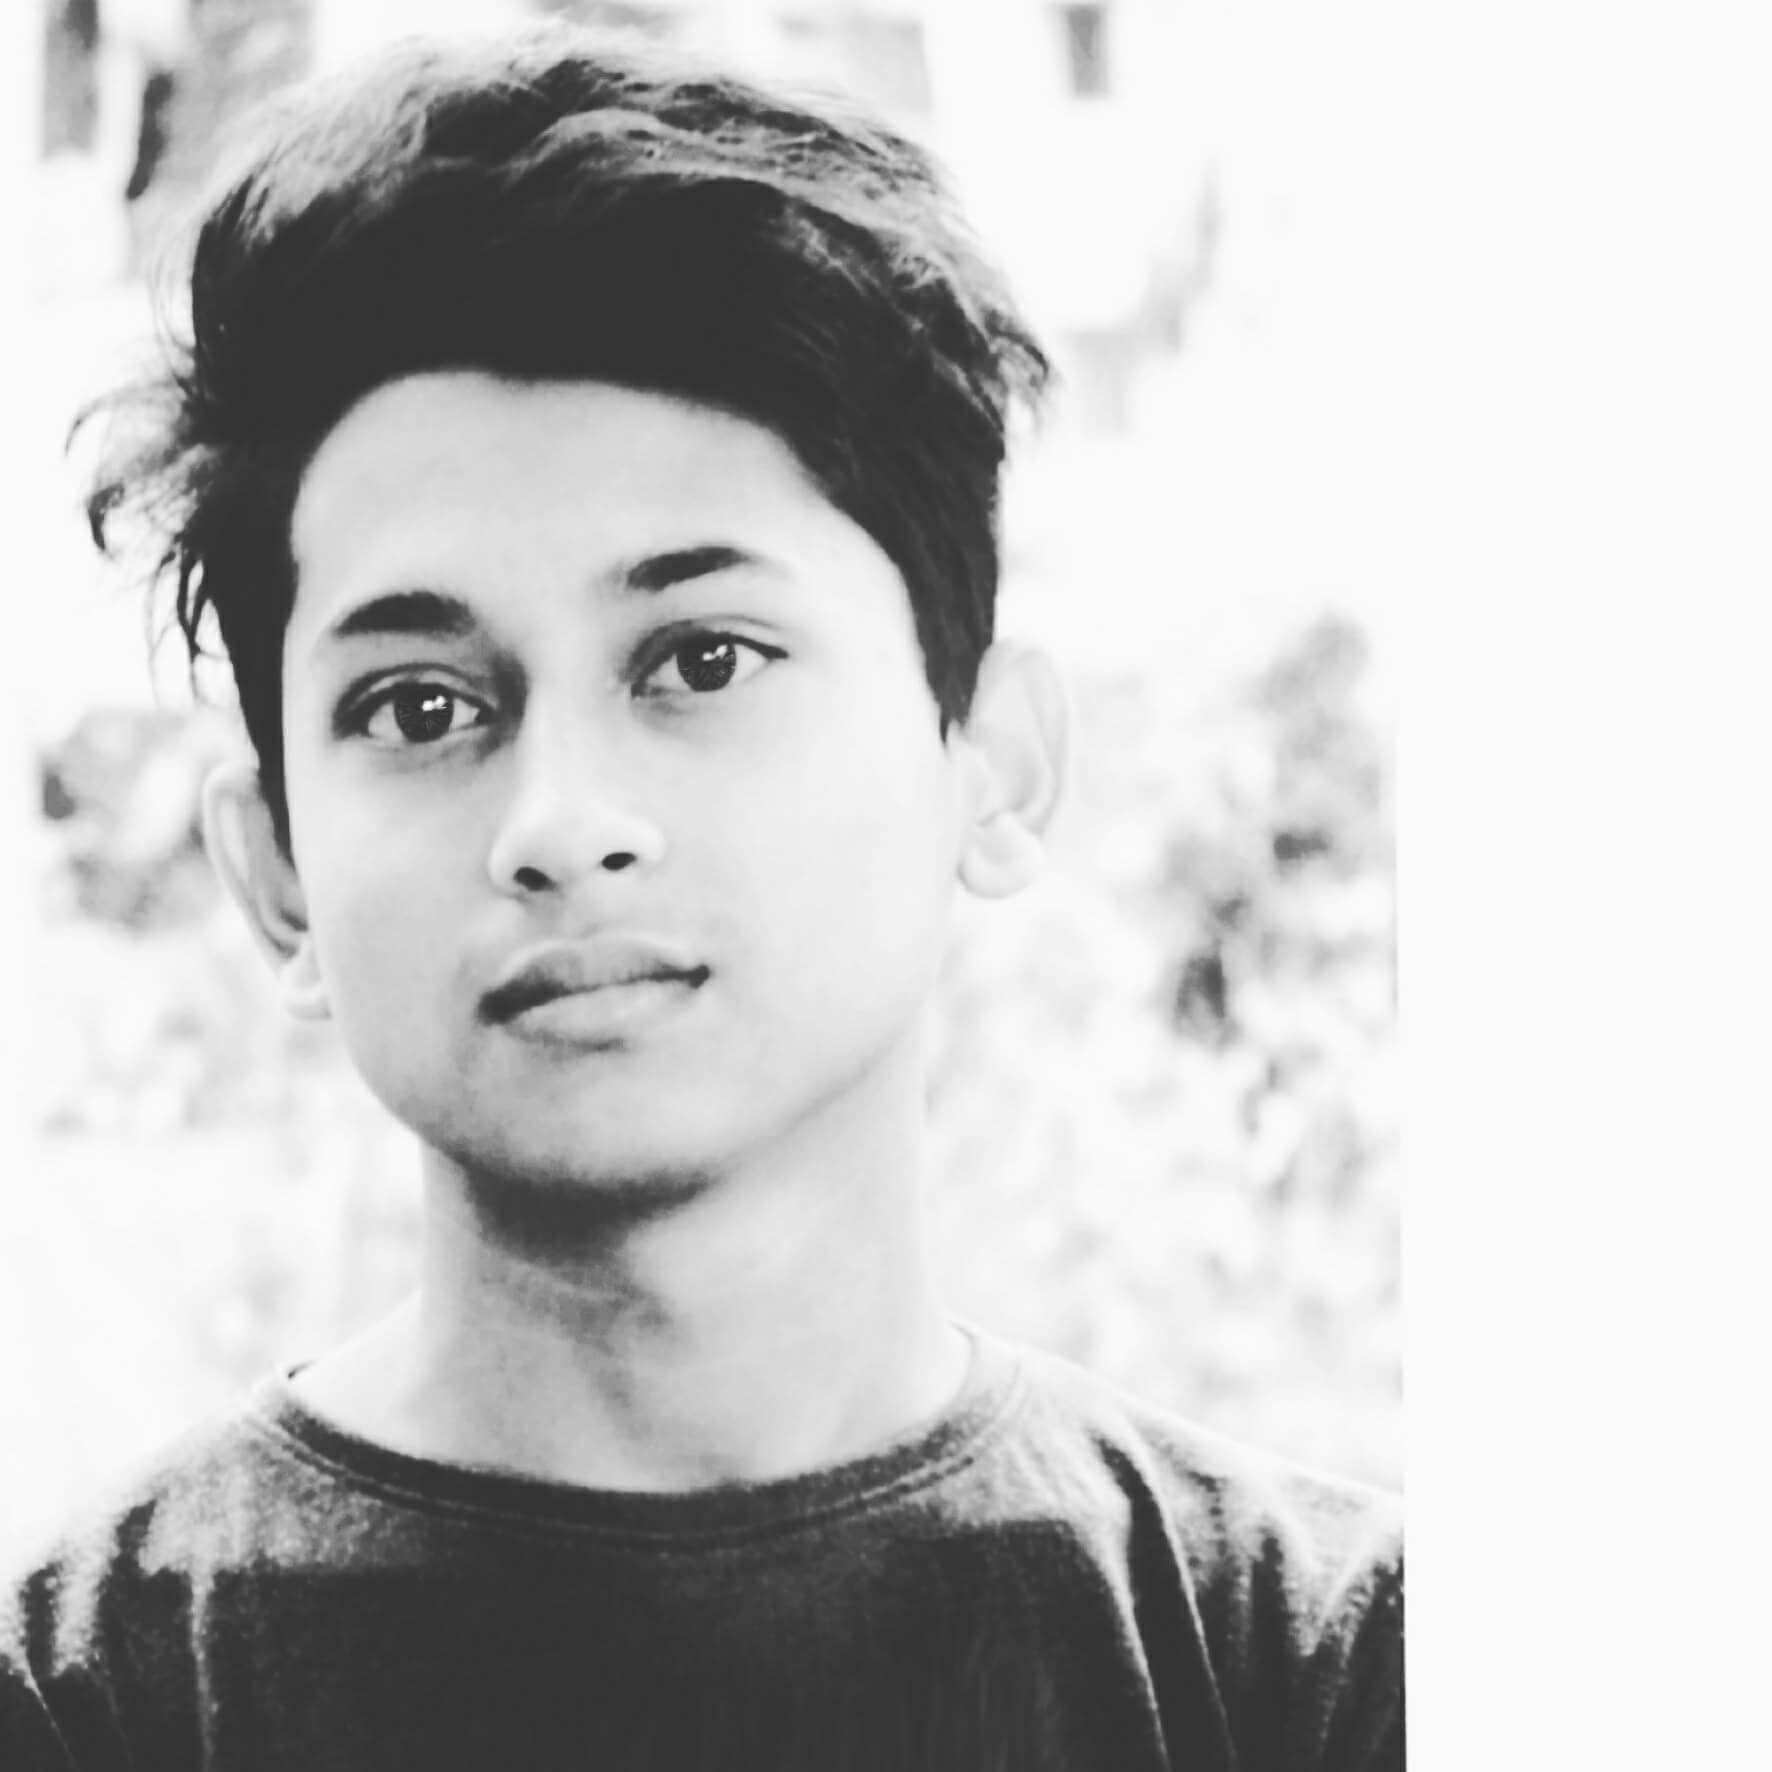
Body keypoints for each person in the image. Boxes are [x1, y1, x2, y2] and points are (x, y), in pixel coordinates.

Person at [1, 26, 1403, 1769]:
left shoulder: (1330, 1673)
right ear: (275, 867)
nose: (561, 823)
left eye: (702, 659)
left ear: (991, 763)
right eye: (421, 707)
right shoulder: (82, 1707)